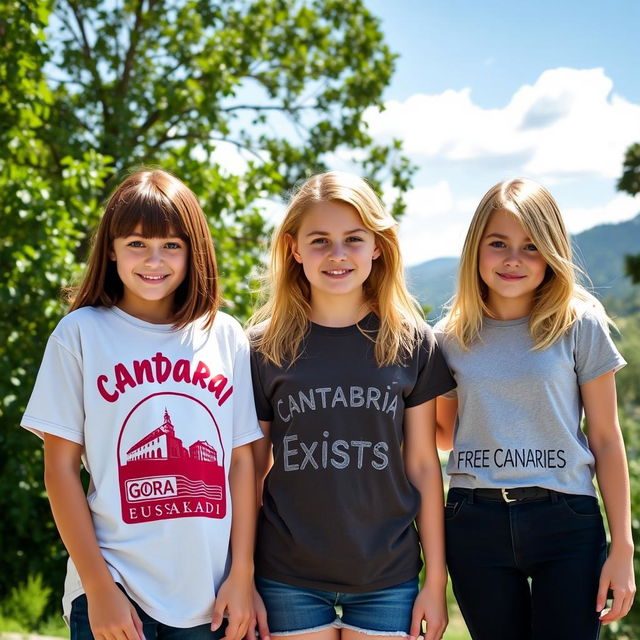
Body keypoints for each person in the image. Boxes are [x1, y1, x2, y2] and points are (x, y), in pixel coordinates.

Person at [21, 169, 263, 640]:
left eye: (172, 245)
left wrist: (242, 573)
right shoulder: (81, 334)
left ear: (195, 251)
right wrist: (97, 587)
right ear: (110, 249)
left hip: (210, 593)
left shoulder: (225, 335)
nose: (154, 260)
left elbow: (240, 462)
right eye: (136, 244)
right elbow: (60, 470)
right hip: (116, 585)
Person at [246, 171, 455, 640]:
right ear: (294, 248)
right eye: (320, 240)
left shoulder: (411, 342)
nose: (337, 254)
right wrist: (241, 577)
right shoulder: (262, 347)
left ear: (377, 246)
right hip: (286, 576)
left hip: (388, 577)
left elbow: (423, 465)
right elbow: (251, 469)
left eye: (353, 239)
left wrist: (435, 582)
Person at [435, 178, 635, 640]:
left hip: (565, 520)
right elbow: (446, 436)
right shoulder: (447, 336)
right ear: (475, 249)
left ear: (551, 252)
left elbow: (606, 438)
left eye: (530, 247)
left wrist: (622, 548)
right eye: (498, 244)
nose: (512, 259)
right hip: (473, 521)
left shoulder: (579, 323)